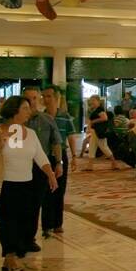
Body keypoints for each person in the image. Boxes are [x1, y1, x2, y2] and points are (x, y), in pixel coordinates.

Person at [0, 96, 58, 271]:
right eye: (25, 108)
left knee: (25, 220)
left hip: (27, 183)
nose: (29, 112)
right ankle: (10, 256)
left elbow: (40, 155)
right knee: (7, 221)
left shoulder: (30, 133)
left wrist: (51, 174)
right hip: (4, 184)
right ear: (14, 111)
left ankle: (14, 255)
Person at [22, 86, 62, 254]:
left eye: (34, 98)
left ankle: (31, 237)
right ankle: (21, 237)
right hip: (21, 167)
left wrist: (59, 163)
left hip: (40, 167)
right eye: (28, 99)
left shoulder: (46, 120)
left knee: (38, 202)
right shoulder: (16, 123)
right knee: (22, 204)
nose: (31, 102)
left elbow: (56, 142)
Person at [43, 87, 73, 236]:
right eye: (44, 96)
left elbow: (71, 136)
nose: (45, 99)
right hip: (46, 157)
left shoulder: (64, 116)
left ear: (56, 98)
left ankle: (57, 223)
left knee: (60, 190)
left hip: (61, 156)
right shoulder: (41, 117)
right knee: (47, 191)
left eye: (48, 96)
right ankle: (46, 225)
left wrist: (74, 156)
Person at [84, 94, 123, 170]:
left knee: (103, 147)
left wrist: (93, 121)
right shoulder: (95, 110)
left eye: (94, 101)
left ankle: (114, 163)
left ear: (98, 101)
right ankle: (90, 165)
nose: (92, 102)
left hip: (99, 132)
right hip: (96, 131)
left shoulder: (100, 110)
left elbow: (104, 118)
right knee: (92, 147)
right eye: (91, 101)